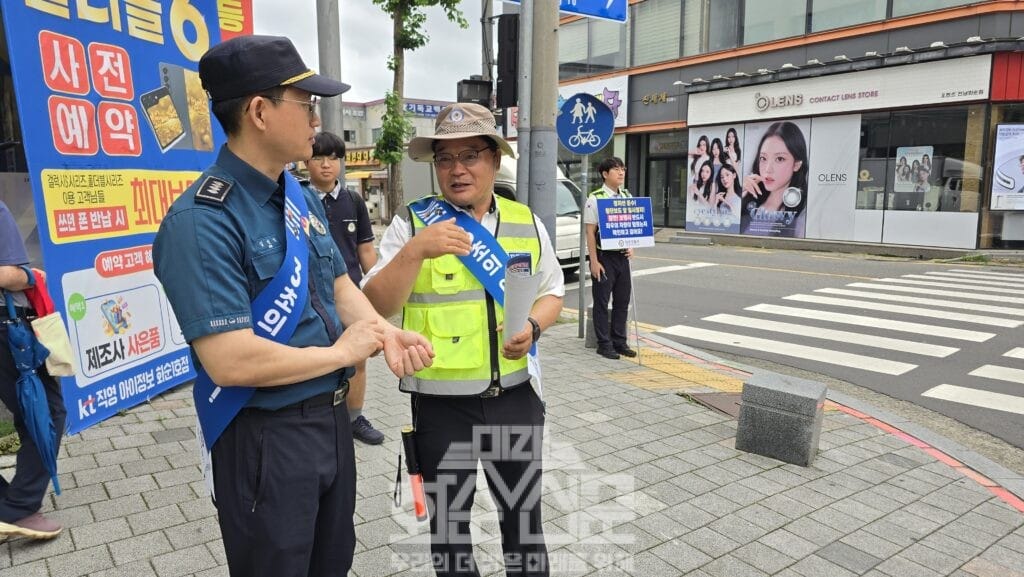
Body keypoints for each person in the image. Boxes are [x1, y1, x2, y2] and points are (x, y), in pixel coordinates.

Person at [152, 35, 433, 577]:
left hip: (331, 422)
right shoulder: (202, 221)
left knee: (333, 561)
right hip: (266, 436)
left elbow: (337, 286)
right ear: (260, 112)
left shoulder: (298, 196)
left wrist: (383, 331)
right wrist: (343, 354)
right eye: (305, 104)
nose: (316, 119)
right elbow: (230, 361)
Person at [361, 102, 564, 577]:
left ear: (494, 159)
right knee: (450, 530)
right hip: (441, 408)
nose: (457, 170)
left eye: (470, 155)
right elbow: (375, 304)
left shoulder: (526, 222)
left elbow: (552, 292)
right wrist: (414, 252)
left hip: (513, 399)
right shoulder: (412, 223)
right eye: (445, 159)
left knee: (524, 524)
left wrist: (533, 327)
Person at [304, 131, 384, 445]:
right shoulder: (298, 200)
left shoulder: (354, 201)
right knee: (317, 358)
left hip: (350, 294)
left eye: (333, 158)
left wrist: (375, 288)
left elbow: (365, 250)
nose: (326, 165)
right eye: (318, 158)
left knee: (357, 360)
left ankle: (354, 418)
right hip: (312, 297)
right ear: (306, 161)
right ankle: (320, 421)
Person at [0, 201, 65, 541]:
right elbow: (5, 275)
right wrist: (29, 276)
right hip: (7, 328)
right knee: (46, 414)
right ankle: (19, 508)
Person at [584, 156, 636, 360]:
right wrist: (594, 261)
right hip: (604, 257)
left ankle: (619, 341)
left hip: (622, 257)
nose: (621, 172)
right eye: (616, 169)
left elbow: (630, 225)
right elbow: (590, 232)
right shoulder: (595, 199)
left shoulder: (626, 196)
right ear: (605, 174)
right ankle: (604, 344)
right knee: (602, 301)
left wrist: (631, 247)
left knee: (622, 301)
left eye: (623, 168)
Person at [741, 121, 809, 238]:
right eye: (763, 158)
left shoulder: (802, 215)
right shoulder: (749, 201)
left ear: (797, 164)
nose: (768, 169)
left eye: (780, 159)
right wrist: (739, 194)